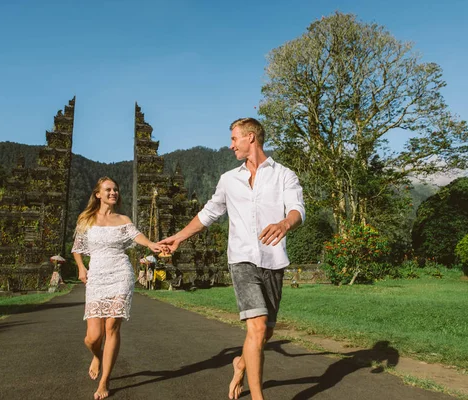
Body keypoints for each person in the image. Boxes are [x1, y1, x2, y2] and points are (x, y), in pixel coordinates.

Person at [159, 118, 305, 400]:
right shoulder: (228, 179)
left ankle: (240, 363)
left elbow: (297, 209)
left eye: (234, 138)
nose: (231, 145)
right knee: (258, 325)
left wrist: (285, 224)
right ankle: (258, 396)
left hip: (273, 260)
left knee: (265, 334)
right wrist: (178, 237)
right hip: (241, 260)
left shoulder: (284, 175)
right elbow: (208, 214)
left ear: (251, 138)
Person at [72, 176, 162, 400]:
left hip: (120, 273)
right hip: (97, 275)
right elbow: (77, 248)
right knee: (92, 338)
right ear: (98, 194)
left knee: (112, 326)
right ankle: (97, 355)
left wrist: (151, 243)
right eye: (108, 190)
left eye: (116, 190)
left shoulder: (123, 219)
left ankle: (105, 380)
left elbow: (136, 235)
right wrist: (81, 268)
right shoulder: (86, 219)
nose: (113, 193)